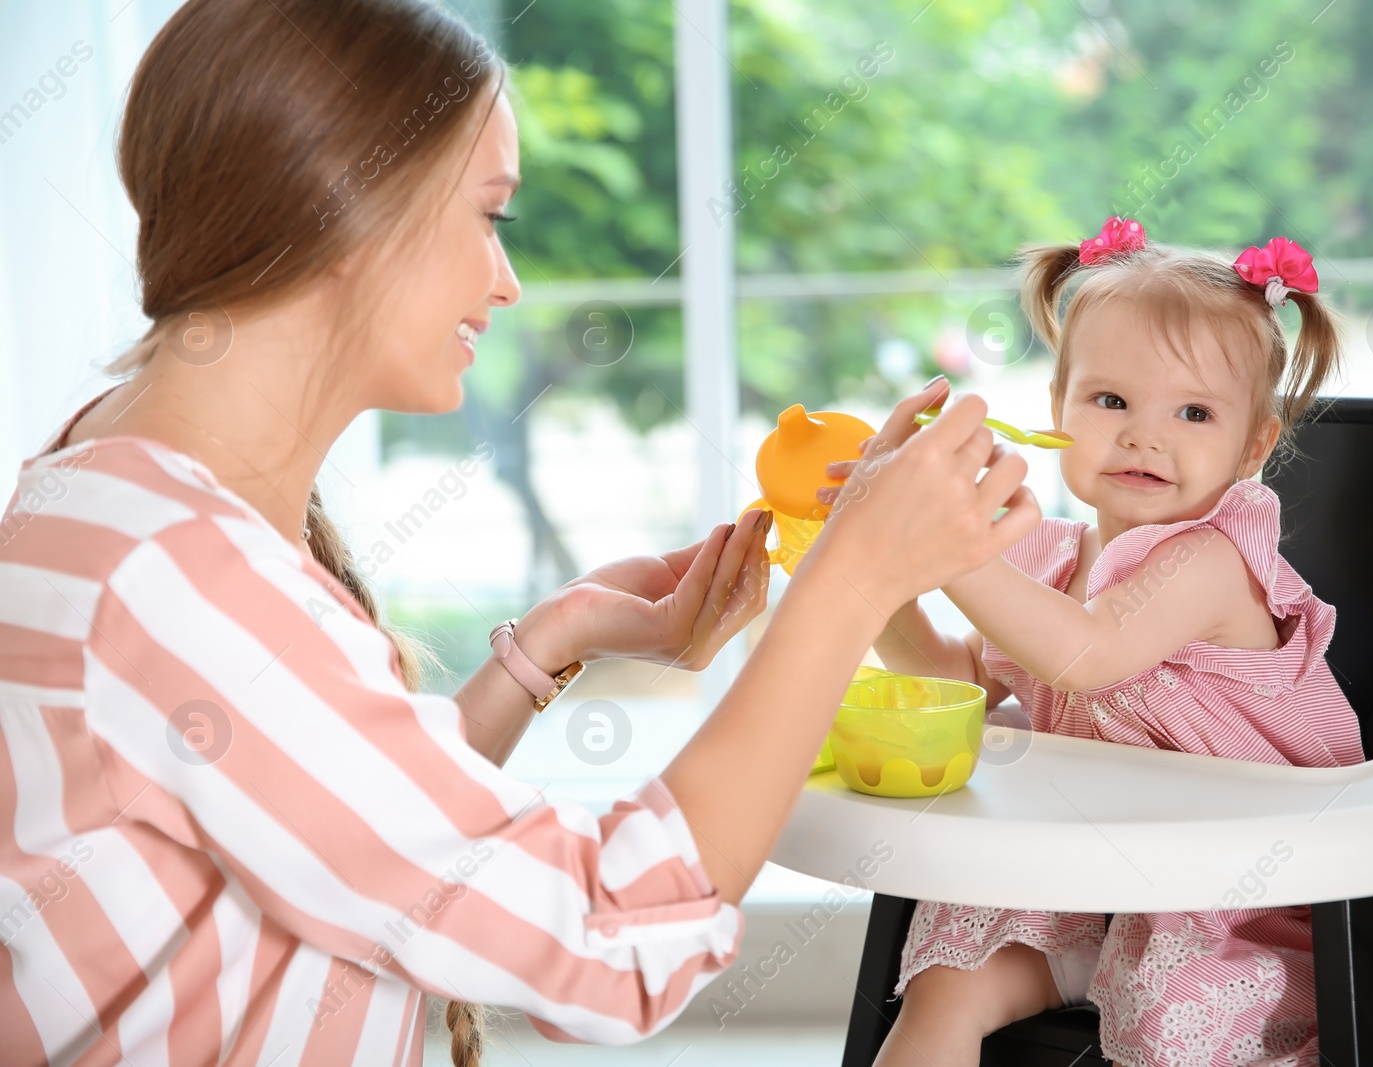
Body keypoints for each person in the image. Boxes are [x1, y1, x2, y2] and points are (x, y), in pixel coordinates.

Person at [0, 2, 1035, 1064]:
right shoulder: (180, 579)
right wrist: (851, 579)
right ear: (342, 207)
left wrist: (555, 639)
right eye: (490, 215)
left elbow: (354, 831)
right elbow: (608, 940)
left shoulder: (111, 486)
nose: (508, 280)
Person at [838, 217, 1373, 1067]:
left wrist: (939, 541)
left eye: (1194, 412)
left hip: (1258, 903)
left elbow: (1089, 653)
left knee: (1171, 1013)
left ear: (1253, 443)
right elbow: (950, 680)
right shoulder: (1045, 557)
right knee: (943, 987)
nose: (1147, 435)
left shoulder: (1212, 560)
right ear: (1057, 408)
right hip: (1095, 888)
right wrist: (869, 568)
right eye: (1111, 400)